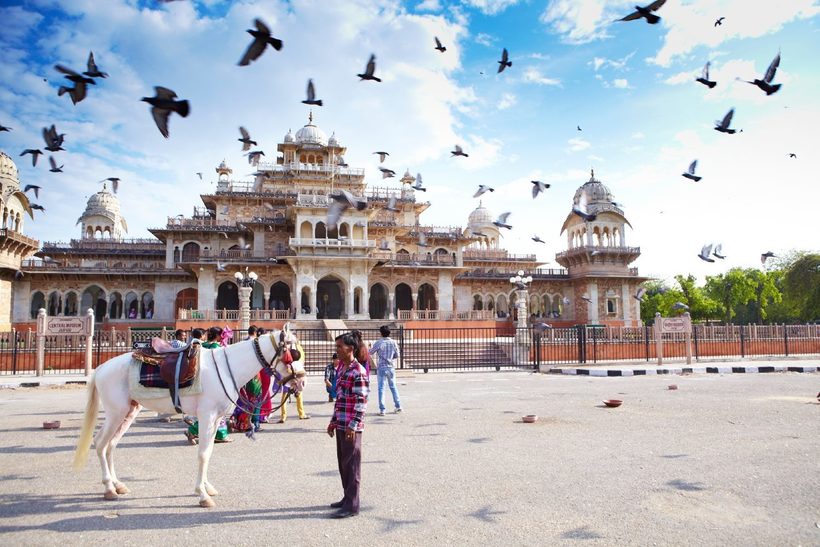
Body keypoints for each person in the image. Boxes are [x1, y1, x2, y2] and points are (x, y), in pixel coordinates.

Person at [327, 332, 369, 519]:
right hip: (342, 423)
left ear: (350, 349)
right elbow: (341, 400)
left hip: (351, 426)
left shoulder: (358, 371)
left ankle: (352, 504)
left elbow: (361, 402)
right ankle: (347, 497)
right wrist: (333, 421)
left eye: (339, 347)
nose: (336, 350)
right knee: (343, 463)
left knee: (352, 465)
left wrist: (353, 425)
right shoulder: (342, 369)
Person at [185, 327, 231, 444]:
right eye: (221, 335)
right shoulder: (217, 348)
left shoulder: (203, 345)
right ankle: (216, 434)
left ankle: (200, 432)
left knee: (209, 411)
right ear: (217, 336)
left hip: (203, 381)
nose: (222, 337)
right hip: (215, 383)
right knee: (216, 410)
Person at [369, 325, 402, 416]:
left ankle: (382, 409)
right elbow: (397, 355)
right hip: (391, 366)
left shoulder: (379, 342)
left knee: (381, 388)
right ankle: (398, 406)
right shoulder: (393, 342)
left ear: (381, 333)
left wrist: (370, 347)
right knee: (393, 386)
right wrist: (390, 358)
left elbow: (370, 352)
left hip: (381, 367)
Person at [274, 338, 309, 423]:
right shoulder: (297, 348)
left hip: (288, 375)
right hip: (294, 376)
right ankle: (300, 414)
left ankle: (284, 416)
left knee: (285, 396)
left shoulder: (284, 349)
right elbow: (302, 358)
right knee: (297, 395)